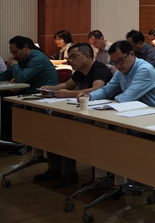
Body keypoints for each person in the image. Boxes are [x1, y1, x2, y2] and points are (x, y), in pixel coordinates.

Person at [35, 43, 113, 188]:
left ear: (87, 57)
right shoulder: (79, 71)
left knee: (68, 129)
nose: (71, 60)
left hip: (104, 113)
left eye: (74, 57)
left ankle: (70, 173)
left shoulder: (99, 69)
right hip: (87, 110)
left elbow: (97, 89)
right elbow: (67, 85)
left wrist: (68, 94)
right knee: (55, 123)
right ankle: (56, 169)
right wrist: (51, 89)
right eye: (70, 57)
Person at [82, 40, 155, 109]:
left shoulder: (144, 70)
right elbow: (107, 91)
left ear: (131, 54)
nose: (118, 65)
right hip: (137, 111)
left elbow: (126, 98)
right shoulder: (121, 71)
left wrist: (115, 97)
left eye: (121, 60)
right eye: (114, 62)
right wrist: (89, 96)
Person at [1, 36, 58, 141]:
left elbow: (21, 77)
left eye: (15, 52)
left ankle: (15, 139)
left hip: (42, 94)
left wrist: (14, 64)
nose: (14, 56)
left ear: (26, 47)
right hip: (30, 91)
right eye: (12, 53)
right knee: (4, 99)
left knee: (7, 104)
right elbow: (6, 75)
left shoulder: (38, 58)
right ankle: (9, 138)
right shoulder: (23, 58)